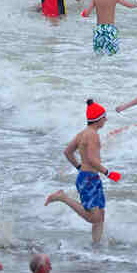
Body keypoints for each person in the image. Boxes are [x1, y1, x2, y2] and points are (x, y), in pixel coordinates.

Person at [45, 99, 117, 244]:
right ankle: (63, 197)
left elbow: (67, 152)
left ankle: (96, 246)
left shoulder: (82, 133)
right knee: (94, 218)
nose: (106, 120)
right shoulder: (92, 135)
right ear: (98, 119)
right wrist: (108, 173)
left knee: (100, 216)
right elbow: (91, 159)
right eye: (104, 117)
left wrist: (79, 167)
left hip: (89, 177)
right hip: (89, 179)